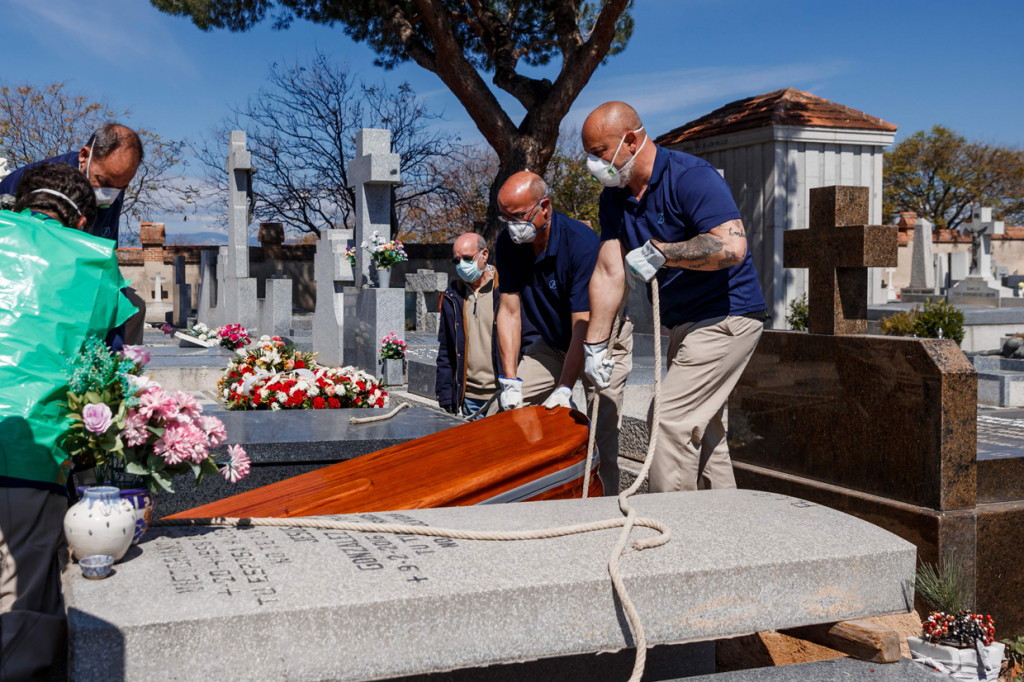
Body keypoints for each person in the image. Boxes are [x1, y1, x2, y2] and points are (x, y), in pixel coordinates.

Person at [580, 101, 767, 494]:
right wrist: (595, 346)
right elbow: (609, 271)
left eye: (598, 153)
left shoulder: (690, 176)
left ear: (630, 141)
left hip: (726, 316)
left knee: (669, 421)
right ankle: (730, 529)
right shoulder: (614, 196)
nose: (593, 165)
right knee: (703, 430)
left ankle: (673, 537)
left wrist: (665, 253)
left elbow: (731, 247)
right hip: (684, 323)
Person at [0, 162, 136, 680]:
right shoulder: (91, 260)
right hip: (30, 451)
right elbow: (109, 361)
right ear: (82, 219)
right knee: (18, 606)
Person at [494, 171, 632, 495]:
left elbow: (583, 324)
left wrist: (565, 387)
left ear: (545, 207)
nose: (512, 227)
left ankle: (604, 505)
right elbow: (509, 312)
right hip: (553, 343)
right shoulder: (509, 243)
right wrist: (510, 380)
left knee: (602, 430)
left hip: (600, 341)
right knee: (506, 415)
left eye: (519, 217)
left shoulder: (580, 244)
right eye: (506, 218)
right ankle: (531, 492)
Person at [0, 122, 147, 343]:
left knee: (129, 308)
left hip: (79, 275)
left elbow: (104, 250)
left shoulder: (111, 187)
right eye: (104, 181)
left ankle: (121, 373)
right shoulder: (41, 180)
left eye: (122, 187)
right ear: (84, 156)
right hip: (30, 276)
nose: (110, 194)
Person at [436, 232, 501, 420]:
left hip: (502, 394)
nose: (462, 265)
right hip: (469, 399)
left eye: (467, 258)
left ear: (484, 254)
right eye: (457, 261)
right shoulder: (452, 295)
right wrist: (446, 394)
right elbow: (446, 347)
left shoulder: (505, 289)